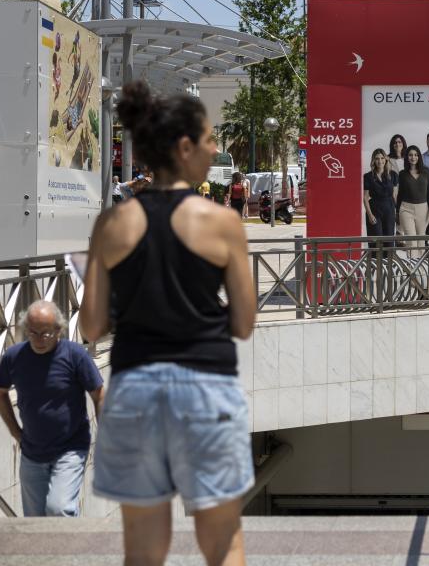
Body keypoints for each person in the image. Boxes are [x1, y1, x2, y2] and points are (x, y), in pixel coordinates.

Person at [79, 80, 256, 565]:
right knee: (222, 543)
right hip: (206, 389)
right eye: (210, 140)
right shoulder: (221, 222)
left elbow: (91, 326)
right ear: (184, 147)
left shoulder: (113, 224)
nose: (216, 149)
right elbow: (243, 323)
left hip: (134, 390)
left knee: (142, 550)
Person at [0, 300, 104, 517]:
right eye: (33, 332)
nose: (39, 339)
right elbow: (0, 392)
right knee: (35, 522)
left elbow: (99, 395)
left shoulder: (75, 355)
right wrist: (16, 432)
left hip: (71, 448)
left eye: (46, 333)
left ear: (58, 330)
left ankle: (72, 548)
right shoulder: (14, 357)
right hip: (32, 452)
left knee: (59, 509)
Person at [398, 145, 429, 242]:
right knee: (411, 240)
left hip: (423, 208)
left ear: (419, 157)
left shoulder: (426, 172)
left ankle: (419, 258)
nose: (413, 157)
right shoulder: (402, 174)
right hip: (406, 208)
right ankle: (412, 258)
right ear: (406, 157)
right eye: (410, 155)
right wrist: (397, 212)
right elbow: (400, 194)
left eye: (416, 155)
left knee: (421, 240)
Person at [363, 148, 398, 243]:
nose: (380, 161)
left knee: (389, 241)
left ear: (386, 159)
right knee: (376, 242)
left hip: (389, 210)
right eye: (377, 158)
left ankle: (388, 259)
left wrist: (398, 212)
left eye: (382, 158)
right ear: (373, 160)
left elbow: (395, 195)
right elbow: (365, 197)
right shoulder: (368, 176)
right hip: (374, 211)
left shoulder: (393, 175)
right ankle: (375, 258)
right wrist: (370, 215)